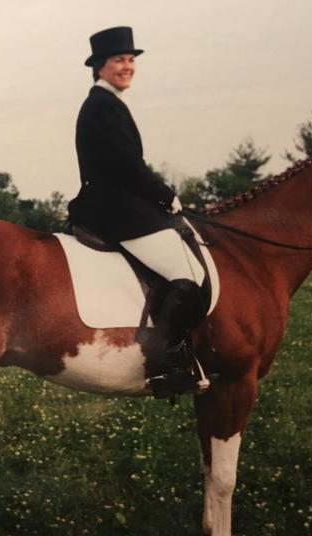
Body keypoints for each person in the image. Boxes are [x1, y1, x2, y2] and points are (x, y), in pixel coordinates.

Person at [67, 26, 208, 397]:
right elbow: (127, 165)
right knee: (188, 275)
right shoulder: (102, 106)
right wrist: (166, 196)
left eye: (131, 60)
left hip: (121, 205)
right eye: (119, 60)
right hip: (117, 211)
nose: (127, 66)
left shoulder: (107, 103)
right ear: (99, 67)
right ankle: (163, 365)